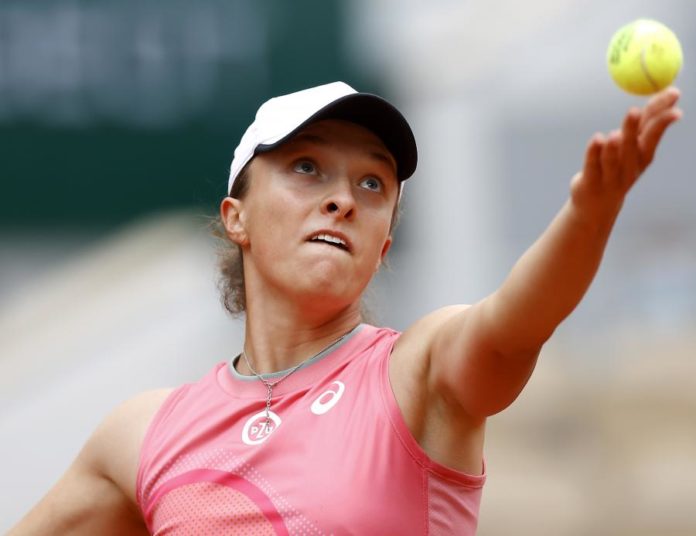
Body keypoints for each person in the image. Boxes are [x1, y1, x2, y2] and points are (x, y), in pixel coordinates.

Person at [10, 81, 682, 535]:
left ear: (383, 244)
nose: (343, 199)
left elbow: (514, 327)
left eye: (372, 182)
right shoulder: (143, 435)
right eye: (306, 168)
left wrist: (588, 216)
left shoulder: (416, 374)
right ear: (236, 217)